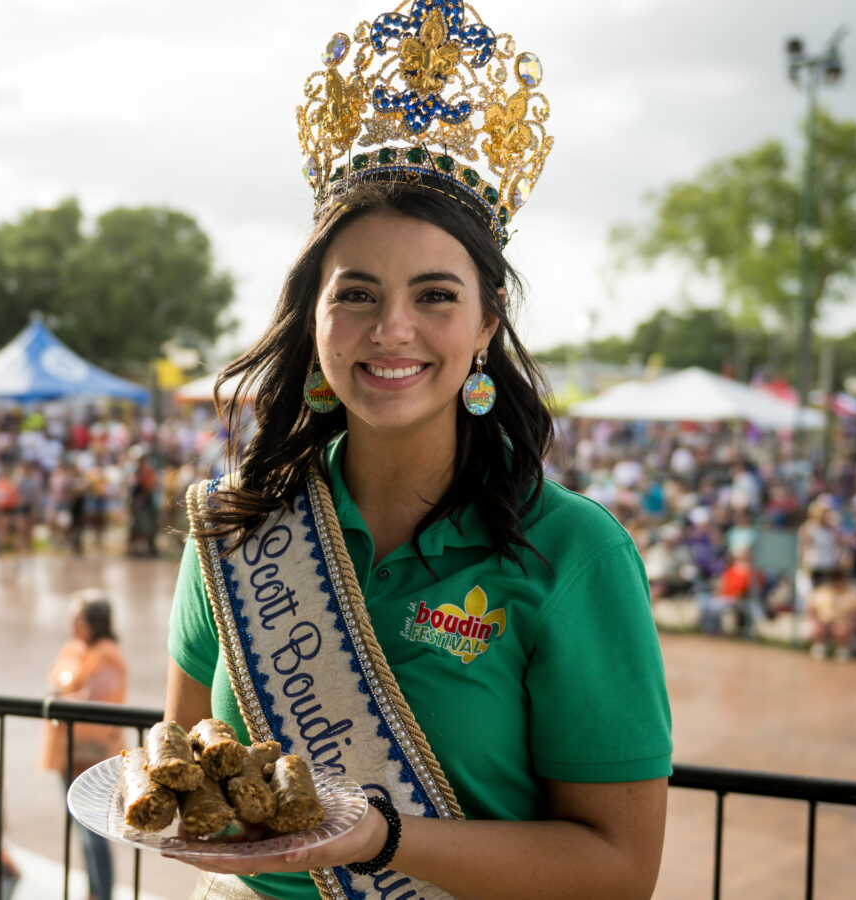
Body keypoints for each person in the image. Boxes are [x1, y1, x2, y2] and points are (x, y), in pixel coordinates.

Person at [166, 15, 671, 897]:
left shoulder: (573, 553)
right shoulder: (235, 526)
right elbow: (189, 771)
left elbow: (621, 871)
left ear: (485, 324)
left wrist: (381, 839)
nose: (390, 329)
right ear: (313, 318)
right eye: (355, 293)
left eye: (433, 295)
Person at [43, 590, 127, 900]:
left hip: (91, 755)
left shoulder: (107, 655)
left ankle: (102, 894)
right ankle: (93, 891)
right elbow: (57, 685)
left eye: (77, 616)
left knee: (94, 830)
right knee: (82, 829)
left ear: (93, 621)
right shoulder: (74, 649)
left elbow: (95, 702)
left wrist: (59, 700)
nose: (71, 621)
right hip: (68, 751)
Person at [807, 568, 856, 662]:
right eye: (835, 579)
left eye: (840, 578)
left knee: (842, 631)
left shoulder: (852, 593)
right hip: (823, 623)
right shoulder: (822, 591)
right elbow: (811, 608)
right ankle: (819, 648)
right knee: (816, 629)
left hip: (843, 624)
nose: (837, 582)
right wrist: (815, 621)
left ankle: (843, 650)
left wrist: (852, 624)